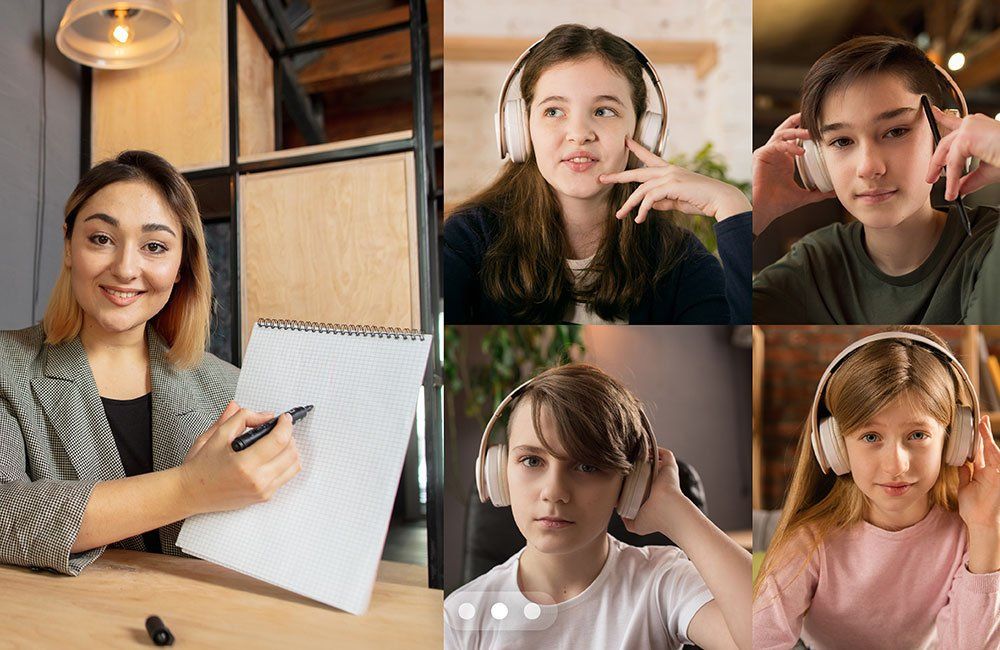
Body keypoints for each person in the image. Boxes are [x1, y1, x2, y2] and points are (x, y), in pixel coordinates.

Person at [0, 150, 301, 575]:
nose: (125, 268)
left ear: (180, 266)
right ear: (68, 245)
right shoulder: (8, 366)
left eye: (154, 246)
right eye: (101, 239)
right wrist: (191, 488)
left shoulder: (230, 390)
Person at [443, 24, 752, 325]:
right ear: (522, 130)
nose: (579, 134)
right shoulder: (469, 238)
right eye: (554, 111)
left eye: (604, 111)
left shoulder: (679, 261)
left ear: (644, 132)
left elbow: (739, 345)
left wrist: (732, 205)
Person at [445, 364, 751, 649]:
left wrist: (677, 510)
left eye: (586, 467)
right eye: (532, 461)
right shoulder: (461, 617)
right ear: (499, 473)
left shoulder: (661, 582)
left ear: (630, 484)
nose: (554, 492)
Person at [753, 328, 1000, 648]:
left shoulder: (967, 534)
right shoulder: (809, 542)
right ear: (836, 447)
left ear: (954, 441)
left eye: (918, 435)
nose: (896, 466)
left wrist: (985, 529)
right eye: (871, 437)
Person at [752, 36, 1000, 324]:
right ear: (816, 162)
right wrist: (755, 214)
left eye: (896, 132)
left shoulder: (989, 244)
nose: (869, 167)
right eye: (842, 141)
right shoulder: (813, 265)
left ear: (942, 135)